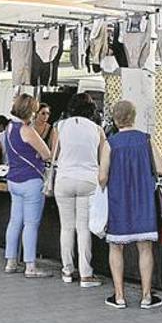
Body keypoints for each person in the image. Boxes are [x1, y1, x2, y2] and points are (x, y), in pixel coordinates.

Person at [99, 100, 162, 309]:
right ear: (134, 116)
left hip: (119, 202)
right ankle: (146, 296)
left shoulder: (111, 143)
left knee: (116, 248)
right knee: (145, 249)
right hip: (143, 201)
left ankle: (119, 296)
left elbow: (102, 177)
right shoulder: (146, 140)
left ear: (115, 119)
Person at [54, 93, 107, 288]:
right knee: (83, 228)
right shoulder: (98, 130)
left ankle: (67, 271)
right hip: (88, 180)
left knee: (66, 227)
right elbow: (103, 159)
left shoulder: (60, 126)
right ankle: (86, 274)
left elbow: (54, 155)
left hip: (64, 179)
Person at [4, 93, 53, 278]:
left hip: (13, 180)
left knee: (15, 221)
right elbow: (47, 153)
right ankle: (30, 266)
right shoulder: (26, 130)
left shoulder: (9, 128)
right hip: (31, 180)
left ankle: (10, 261)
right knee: (31, 224)